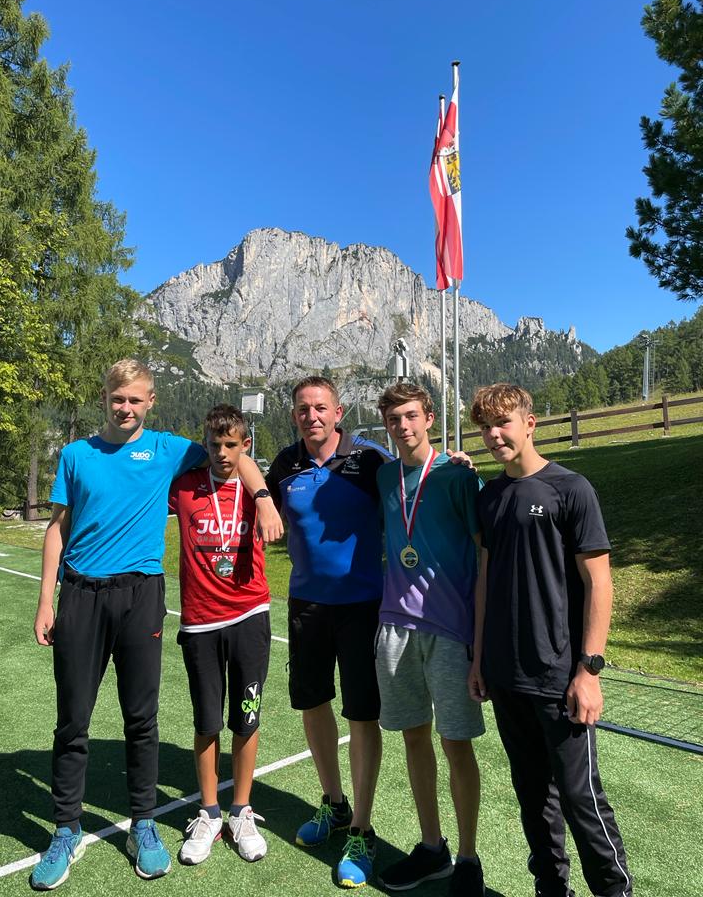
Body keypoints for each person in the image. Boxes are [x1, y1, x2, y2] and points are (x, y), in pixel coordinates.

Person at [31, 360, 281, 890]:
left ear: (151, 402)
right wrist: (45, 599)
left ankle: (144, 824)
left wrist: (261, 499)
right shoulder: (76, 455)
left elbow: (238, 453)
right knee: (72, 720)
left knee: (141, 719)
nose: (126, 407)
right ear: (105, 397)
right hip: (79, 594)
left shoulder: (169, 449)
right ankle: (65, 829)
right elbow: (57, 529)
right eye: (117, 398)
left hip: (142, 595)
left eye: (136, 399)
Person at [469, 384, 633, 897]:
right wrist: (479, 658)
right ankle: (550, 889)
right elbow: (483, 579)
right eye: (486, 427)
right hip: (504, 673)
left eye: (504, 423)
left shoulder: (571, 489)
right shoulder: (491, 497)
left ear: (530, 422)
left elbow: (599, 583)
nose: (495, 435)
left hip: (560, 677)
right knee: (532, 797)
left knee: (581, 800)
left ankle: (614, 891)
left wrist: (589, 671)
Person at [266, 375, 391, 888]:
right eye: (302, 409)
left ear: (338, 412)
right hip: (306, 607)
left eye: (320, 408)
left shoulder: (369, 460)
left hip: (364, 607)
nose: (311, 416)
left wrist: (456, 465)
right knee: (312, 704)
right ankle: (334, 804)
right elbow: (248, 473)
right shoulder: (284, 464)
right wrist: (257, 496)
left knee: (361, 714)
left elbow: (415, 477)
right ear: (294, 414)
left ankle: (361, 826)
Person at [374, 383, 486, 896]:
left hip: (449, 630)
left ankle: (467, 858)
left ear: (430, 418)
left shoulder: (457, 476)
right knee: (413, 737)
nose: (403, 426)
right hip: (395, 627)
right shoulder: (382, 476)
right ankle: (432, 847)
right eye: (394, 418)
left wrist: (479, 640)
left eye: (411, 416)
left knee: (455, 744)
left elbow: (485, 554)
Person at [169, 405, 270, 866]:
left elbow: (252, 472)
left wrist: (264, 497)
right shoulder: (185, 486)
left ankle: (240, 809)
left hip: (250, 615)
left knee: (246, 716)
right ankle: (208, 811)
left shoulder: (256, 489)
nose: (223, 453)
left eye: (232, 445)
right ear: (204, 444)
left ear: (245, 446)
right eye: (215, 445)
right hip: (200, 621)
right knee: (207, 720)